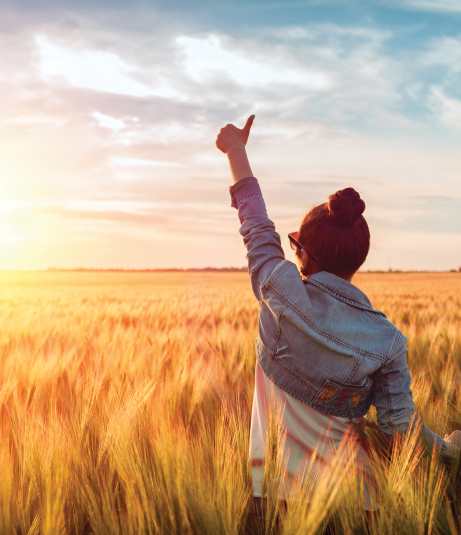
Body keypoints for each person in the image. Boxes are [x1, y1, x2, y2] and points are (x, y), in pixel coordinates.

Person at [215, 115, 461, 515]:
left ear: (304, 254)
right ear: (358, 259)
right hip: (357, 507)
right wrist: (449, 449)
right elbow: (401, 428)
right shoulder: (388, 340)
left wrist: (237, 152)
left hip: (274, 500)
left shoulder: (279, 290)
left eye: (295, 245)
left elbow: (256, 226)